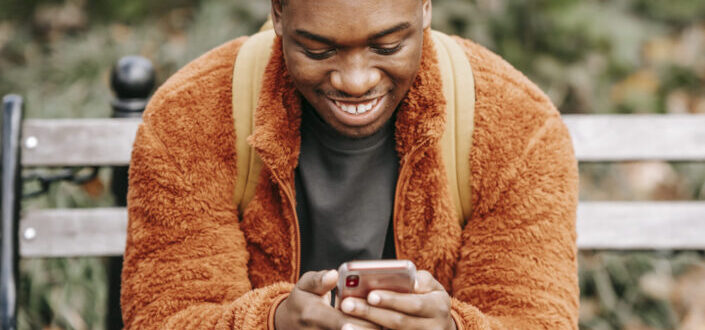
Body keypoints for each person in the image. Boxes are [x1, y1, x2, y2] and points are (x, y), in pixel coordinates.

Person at [120, 0, 580, 329]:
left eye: (388, 46)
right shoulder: (192, 116)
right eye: (318, 50)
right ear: (278, 13)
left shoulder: (516, 125)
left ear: (425, 8)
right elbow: (166, 316)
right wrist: (271, 322)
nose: (355, 81)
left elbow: (536, 319)